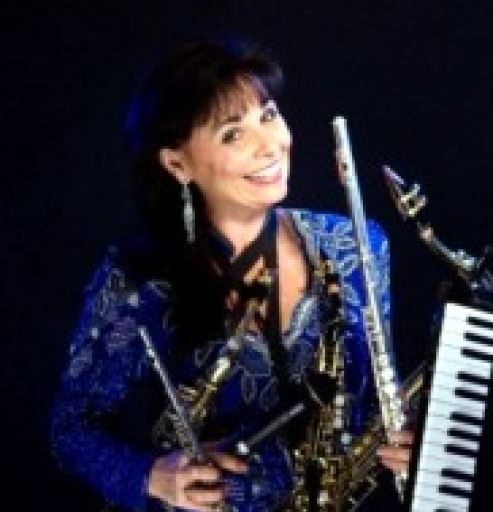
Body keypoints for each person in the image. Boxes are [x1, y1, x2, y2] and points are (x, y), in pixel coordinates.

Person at [49, 34, 414, 512]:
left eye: (269, 115)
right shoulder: (135, 280)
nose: (270, 145)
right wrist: (154, 477)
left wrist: (406, 438)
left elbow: (371, 405)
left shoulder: (358, 245)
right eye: (232, 134)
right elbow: (70, 429)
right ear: (177, 164)